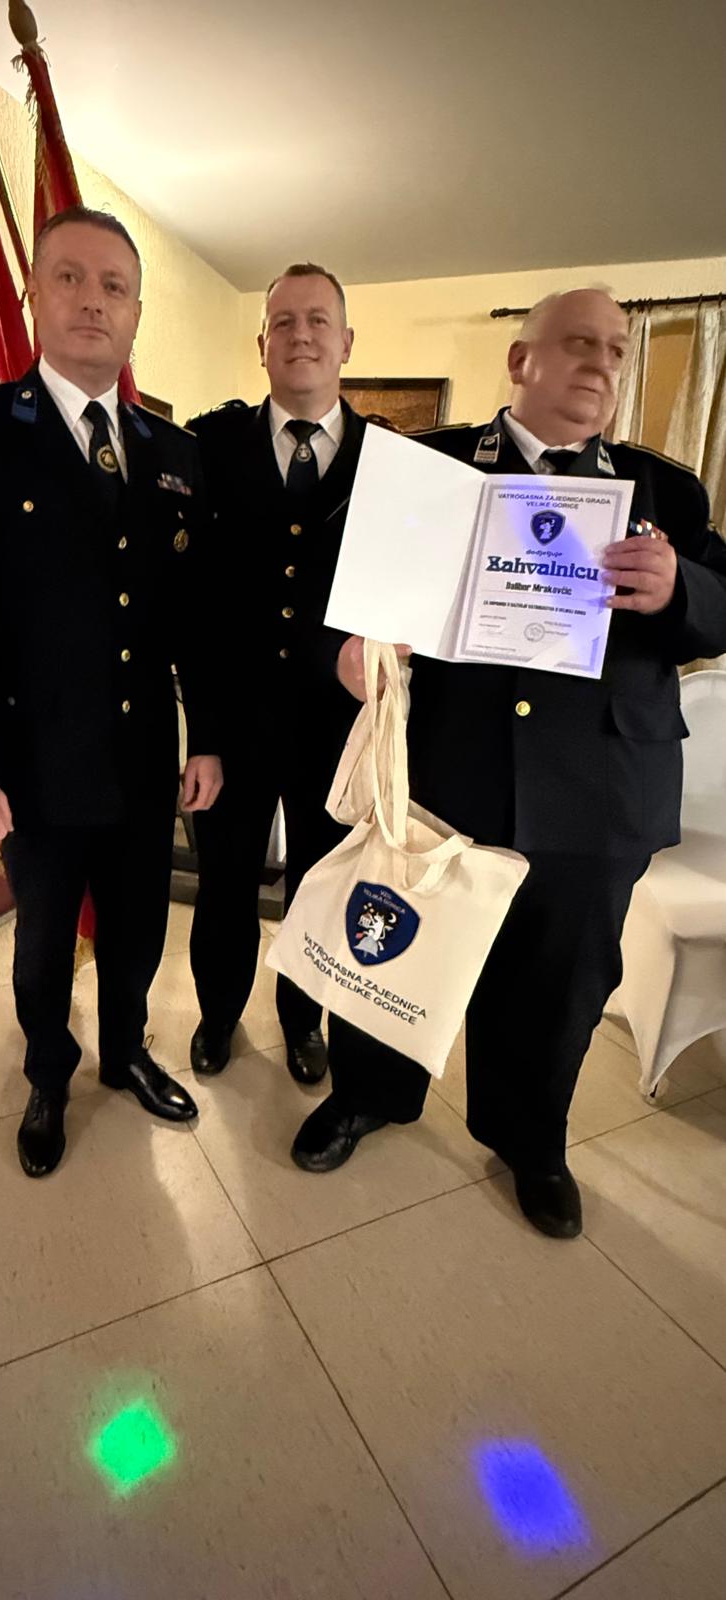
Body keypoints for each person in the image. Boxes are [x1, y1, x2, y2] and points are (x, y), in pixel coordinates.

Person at [292, 288, 726, 1239]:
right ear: (521, 360)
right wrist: (345, 654)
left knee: (559, 985)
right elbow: (326, 591)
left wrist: (678, 590)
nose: (602, 363)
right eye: (579, 343)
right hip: (443, 776)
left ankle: (532, 1142)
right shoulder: (428, 468)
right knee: (392, 943)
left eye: (616, 349)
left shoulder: (668, 491)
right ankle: (366, 1096)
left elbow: (724, 609)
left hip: (598, 792)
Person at [0, 205, 223, 1177]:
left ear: (135, 315)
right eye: (72, 278)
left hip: (143, 755)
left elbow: (193, 621)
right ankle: (49, 1072)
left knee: (138, 926)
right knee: (45, 939)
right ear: (34, 295)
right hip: (32, 760)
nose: (95, 301)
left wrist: (209, 739)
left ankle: (125, 1050)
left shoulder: (173, 454)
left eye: (115, 287)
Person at [185, 263, 365, 1085]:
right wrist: (203, 736)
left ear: (346, 342)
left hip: (336, 729)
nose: (301, 335)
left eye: (318, 320)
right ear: (262, 343)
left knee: (319, 888)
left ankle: (303, 1020)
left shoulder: (389, 459)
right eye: (284, 322)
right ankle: (218, 1013)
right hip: (234, 725)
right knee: (223, 885)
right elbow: (193, 607)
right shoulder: (208, 448)